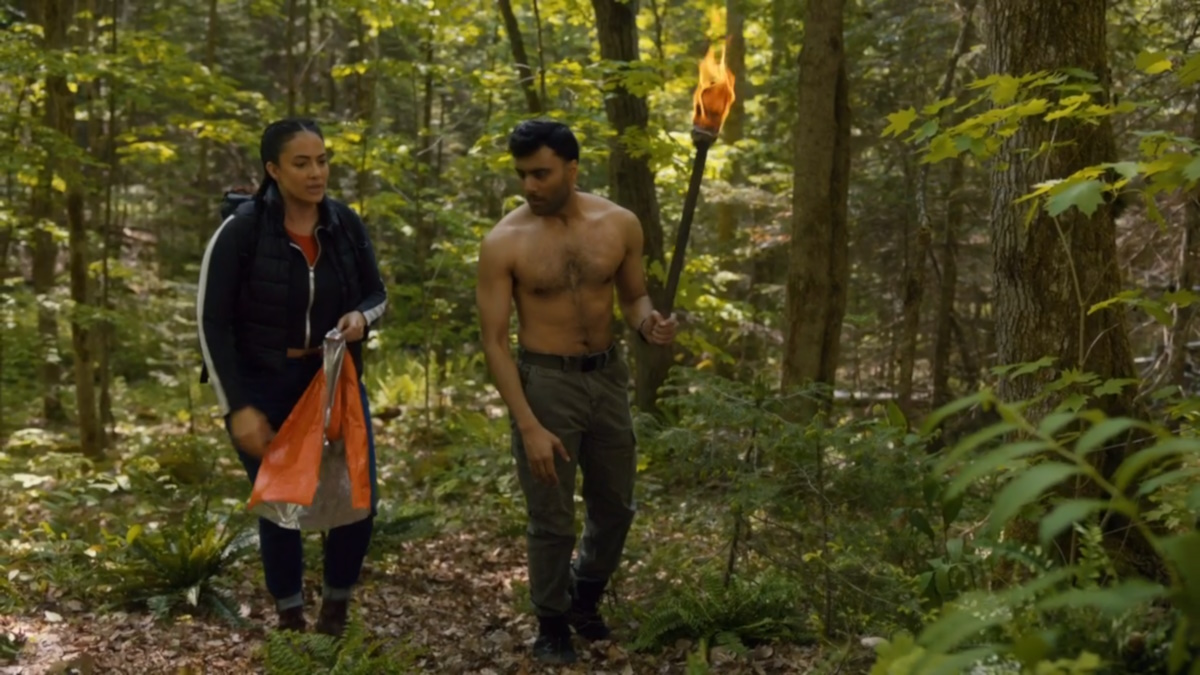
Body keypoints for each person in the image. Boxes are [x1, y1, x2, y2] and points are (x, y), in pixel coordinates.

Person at [475, 119, 678, 664]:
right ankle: (551, 623)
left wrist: (648, 324)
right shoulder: (504, 242)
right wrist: (528, 424)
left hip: (607, 378)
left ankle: (585, 597)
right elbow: (494, 342)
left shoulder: (619, 224)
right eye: (522, 174)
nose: (530, 185)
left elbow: (633, 298)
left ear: (572, 168)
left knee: (615, 505)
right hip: (545, 383)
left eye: (541, 173)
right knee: (551, 514)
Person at [196, 118, 388, 636]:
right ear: (274, 170)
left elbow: (377, 294)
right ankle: (289, 619)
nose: (316, 172)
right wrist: (237, 407)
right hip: (263, 385)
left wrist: (360, 317)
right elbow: (211, 322)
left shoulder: (344, 224)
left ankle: (335, 613)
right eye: (301, 163)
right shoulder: (242, 231)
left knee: (356, 497)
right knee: (280, 502)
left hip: (333, 381)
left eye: (322, 161)